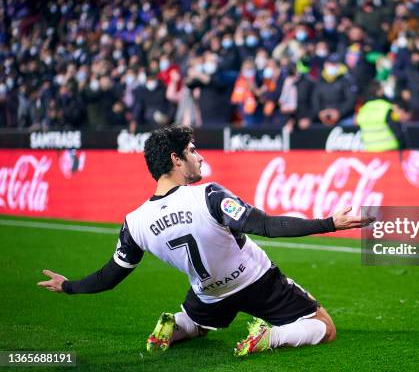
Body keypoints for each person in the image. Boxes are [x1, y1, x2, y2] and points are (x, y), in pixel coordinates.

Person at [37, 125, 373, 357]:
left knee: (200, 321)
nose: (199, 157)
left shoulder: (135, 222)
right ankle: (271, 337)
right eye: (192, 151)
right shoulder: (209, 196)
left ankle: (180, 324)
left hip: (208, 294)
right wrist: (330, 223)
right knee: (323, 326)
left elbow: (109, 277)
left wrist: (68, 286)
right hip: (256, 280)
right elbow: (268, 226)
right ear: (176, 159)